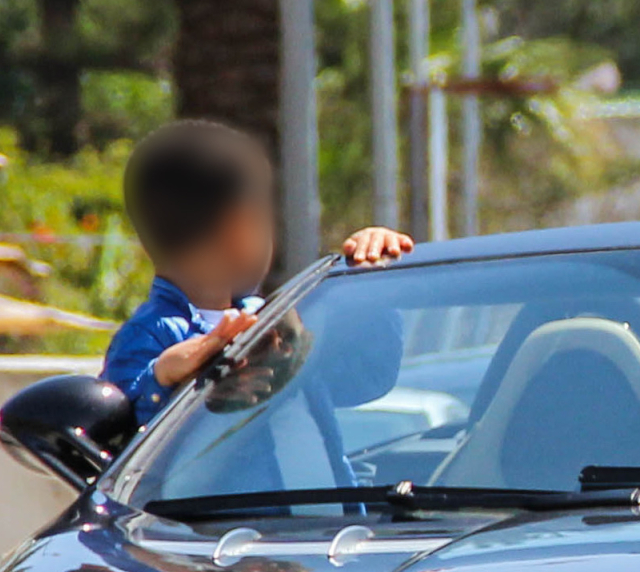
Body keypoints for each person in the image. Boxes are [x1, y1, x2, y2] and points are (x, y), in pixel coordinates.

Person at [102, 119, 411, 424]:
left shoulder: (274, 320)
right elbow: (120, 440)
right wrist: (164, 378)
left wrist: (373, 283)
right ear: (240, 225)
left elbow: (364, 379)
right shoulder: (150, 337)